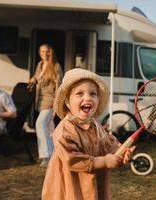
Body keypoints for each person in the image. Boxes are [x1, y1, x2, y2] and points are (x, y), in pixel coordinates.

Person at [41, 68, 135, 200]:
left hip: (94, 184)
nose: (87, 98)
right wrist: (105, 161)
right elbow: (72, 159)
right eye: (79, 93)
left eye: (93, 94)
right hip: (71, 186)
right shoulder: (65, 129)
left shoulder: (96, 126)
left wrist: (122, 153)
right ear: (67, 102)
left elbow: (109, 145)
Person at [28, 43, 63, 167]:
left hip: (50, 100)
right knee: (48, 129)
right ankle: (53, 155)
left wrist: (57, 104)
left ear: (51, 52)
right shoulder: (40, 65)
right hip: (40, 100)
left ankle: (45, 155)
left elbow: (59, 85)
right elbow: (37, 77)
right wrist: (32, 80)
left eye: (47, 51)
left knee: (40, 124)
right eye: (42, 51)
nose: (45, 54)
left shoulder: (56, 66)